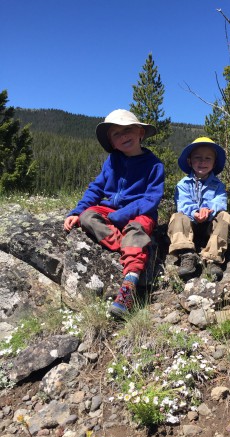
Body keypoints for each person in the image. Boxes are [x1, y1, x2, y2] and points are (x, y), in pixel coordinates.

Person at [64, 109, 165, 318]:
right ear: (112, 142)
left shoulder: (154, 165)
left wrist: (123, 215)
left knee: (136, 230)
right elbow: (96, 188)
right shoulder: (112, 161)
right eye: (116, 134)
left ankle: (129, 285)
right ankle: (128, 249)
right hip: (111, 208)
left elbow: (151, 199)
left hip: (140, 212)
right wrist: (77, 211)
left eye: (128, 130)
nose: (123, 136)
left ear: (140, 133)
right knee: (88, 217)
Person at [167, 137, 230, 281]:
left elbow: (221, 202)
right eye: (198, 158)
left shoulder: (219, 185)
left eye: (208, 158)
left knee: (225, 216)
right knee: (177, 216)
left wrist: (207, 210)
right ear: (190, 161)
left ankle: (213, 259)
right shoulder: (183, 184)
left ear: (214, 163)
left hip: (210, 226)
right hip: (190, 224)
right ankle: (186, 254)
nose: (203, 162)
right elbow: (183, 203)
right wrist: (194, 213)